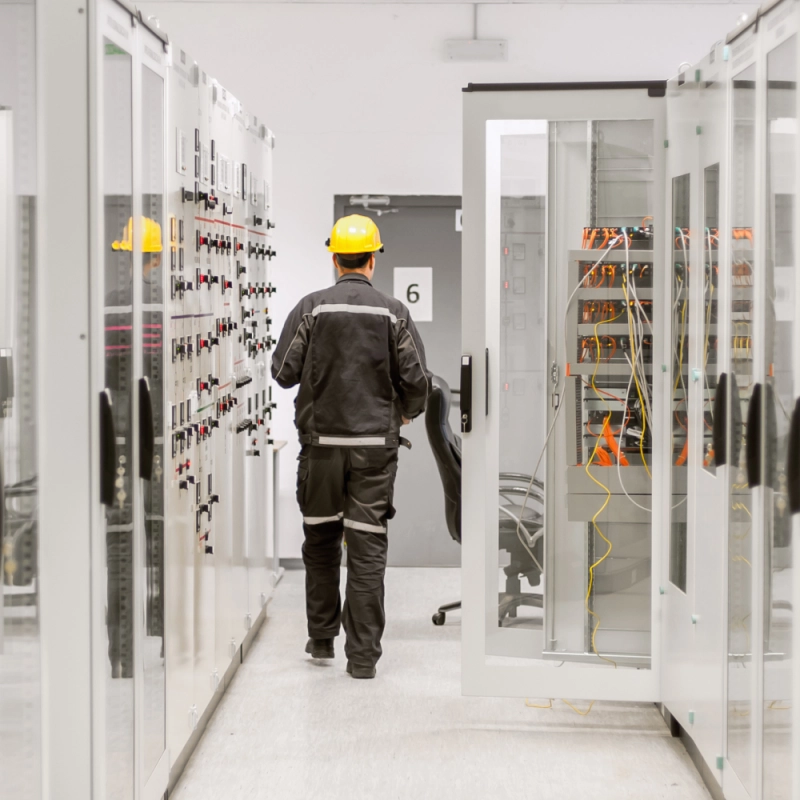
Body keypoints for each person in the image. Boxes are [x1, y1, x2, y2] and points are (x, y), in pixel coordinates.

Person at [271, 214, 430, 679]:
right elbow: (418, 381)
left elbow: (282, 373)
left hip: (320, 450)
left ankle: (321, 639)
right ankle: (362, 659)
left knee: (320, 542)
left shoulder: (310, 308)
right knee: (366, 548)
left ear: (334, 258)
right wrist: (402, 413)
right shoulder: (393, 312)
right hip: (374, 452)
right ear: (373, 260)